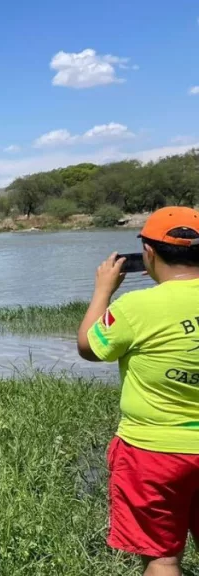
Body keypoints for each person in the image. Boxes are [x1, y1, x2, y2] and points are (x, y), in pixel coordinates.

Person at [76, 207, 199, 576]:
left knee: (163, 558)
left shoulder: (136, 307)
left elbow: (88, 347)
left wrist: (103, 290)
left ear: (148, 253)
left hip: (154, 453)